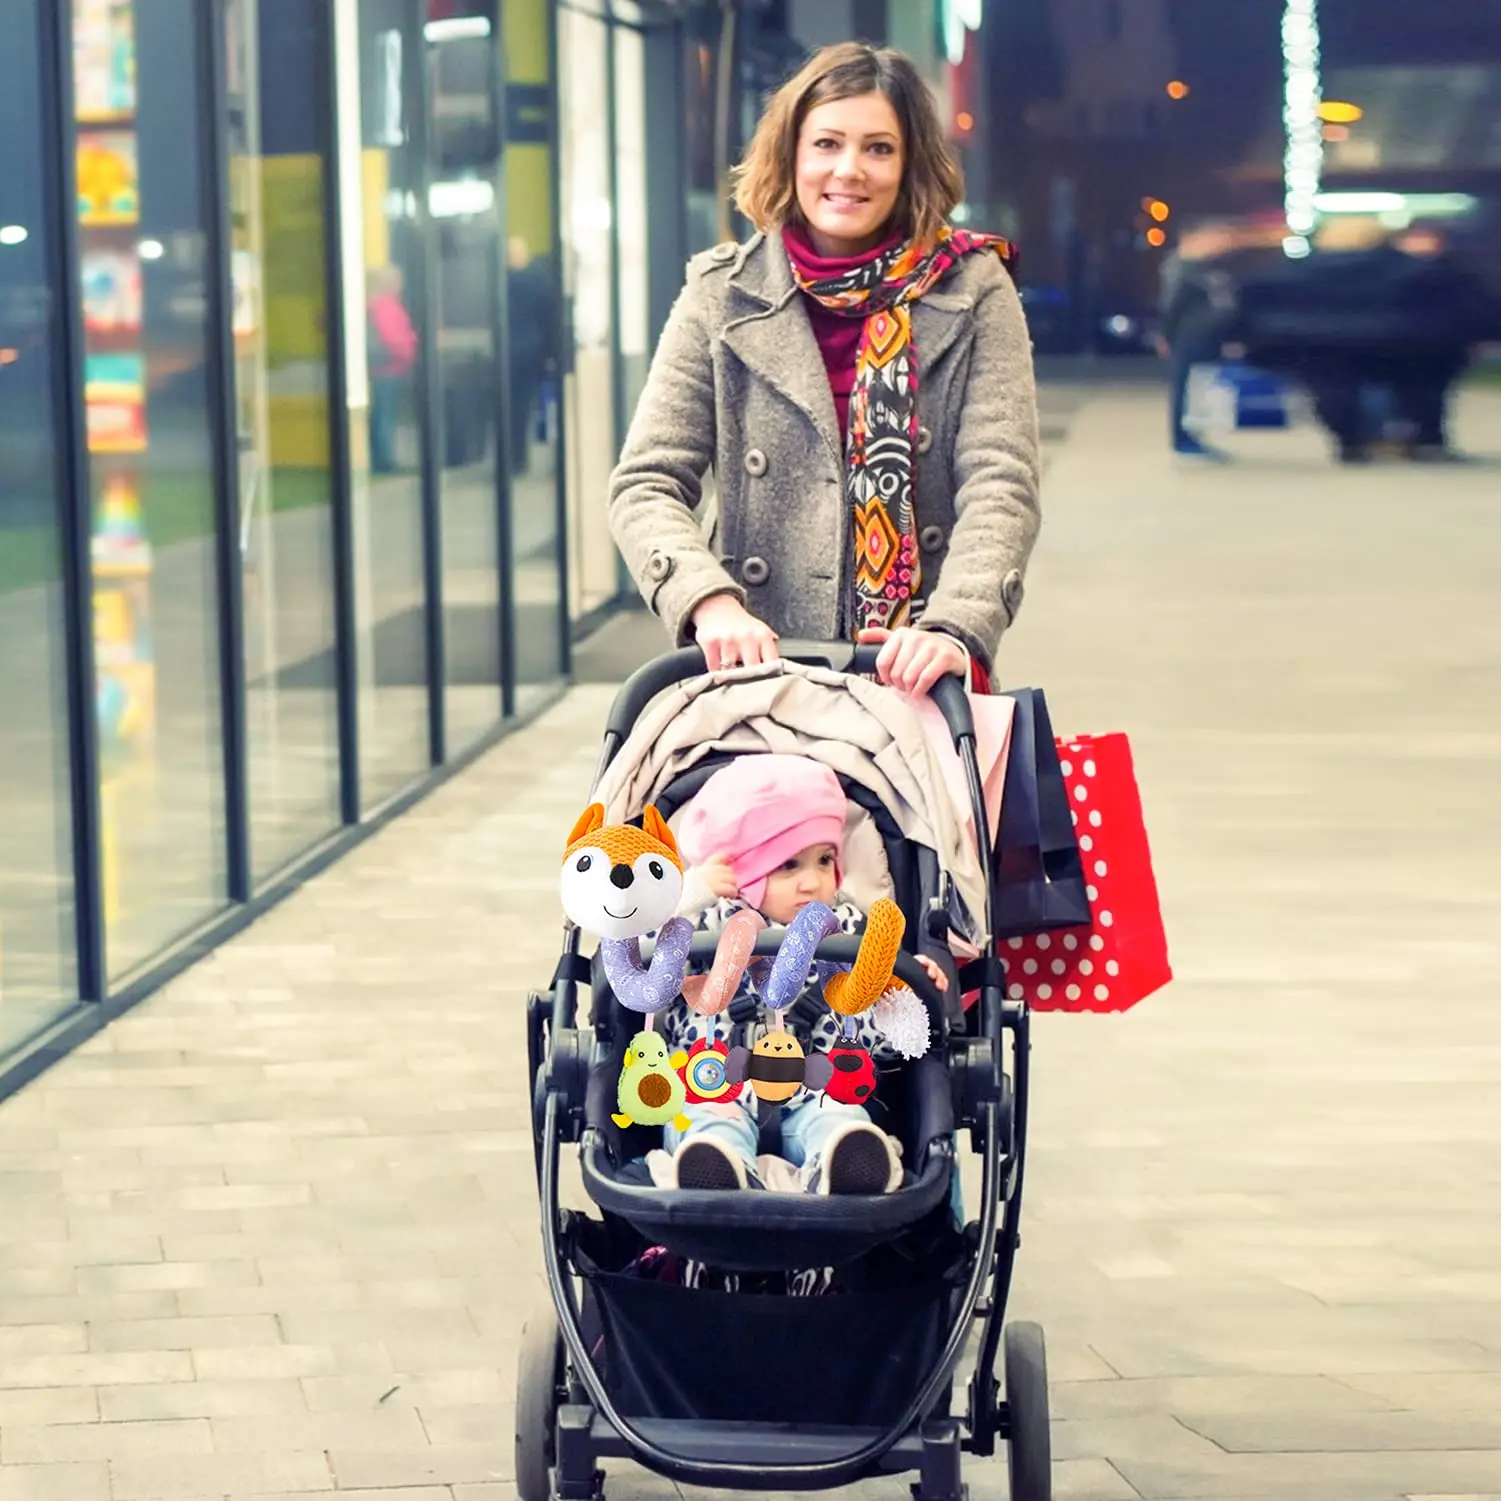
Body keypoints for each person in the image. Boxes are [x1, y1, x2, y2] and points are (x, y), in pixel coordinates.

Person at [608, 42, 1040, 700]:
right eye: (827, 143)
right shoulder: (721, 293)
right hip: (755, 673)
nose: (848, 170)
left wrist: (954, 627)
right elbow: (644, 483)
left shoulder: (972, 286)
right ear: (792, 154)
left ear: (910, 163)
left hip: (913, 672)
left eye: (878, 148)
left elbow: (999, 483)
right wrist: (709, 603)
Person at [644, 754, 949, 1195]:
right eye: (789, 866)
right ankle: (718, 1166)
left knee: (840, 1117)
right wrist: (689, 894)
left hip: (817, 1090)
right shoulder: (702, 927)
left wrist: (901, 994)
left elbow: (877, 1046)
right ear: (741, 869)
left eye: (824, 860)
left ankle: (843, 1160)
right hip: (712, 1087)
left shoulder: (847, 936)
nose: (812, 882)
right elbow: (642, 975)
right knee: (708, 1120)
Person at [367, 264, 417, 474]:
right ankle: (384, 460)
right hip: (389, 368)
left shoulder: (377, 305)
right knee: (385, 415)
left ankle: (382, 457)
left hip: (384, 367)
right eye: (396, 281)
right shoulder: (384, 306)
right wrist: (409, 352)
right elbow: (392, 338)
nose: (400, 285)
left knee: (382, 414)